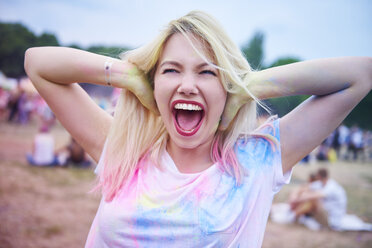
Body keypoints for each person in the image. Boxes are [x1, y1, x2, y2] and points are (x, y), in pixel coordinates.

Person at [24, 11, 372, 248]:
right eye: (171, 70)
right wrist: (128, 75)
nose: (187, 85)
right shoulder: (123, 150)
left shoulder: (259, 160)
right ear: (154, 83)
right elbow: (37, 64)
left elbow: (360, 75)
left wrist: (248, 86)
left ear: (227, 87)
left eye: (207, 73)